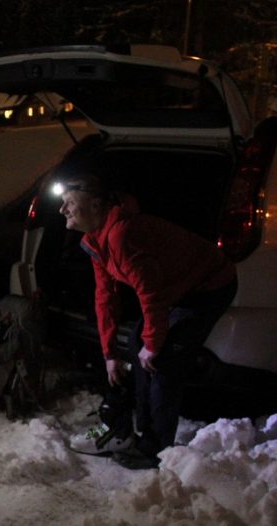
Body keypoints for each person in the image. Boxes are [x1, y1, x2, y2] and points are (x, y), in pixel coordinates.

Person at [59, 171, 237, 469]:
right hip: (175, 289)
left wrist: (153, 345)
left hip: (208, 284)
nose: (62, 210)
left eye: (69, 202)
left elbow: (150, 294)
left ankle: (156, 449)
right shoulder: (95, 240)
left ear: (95, 206)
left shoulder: (122, 235)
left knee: (163, 359)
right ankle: (131, 431)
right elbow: (105, 298)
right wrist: (109, 354)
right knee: (135, 346)